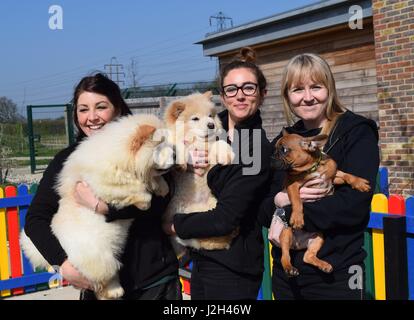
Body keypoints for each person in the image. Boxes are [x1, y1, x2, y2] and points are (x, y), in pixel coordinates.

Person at [24, 73, 181, 300]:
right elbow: (36, 219)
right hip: (99, 286)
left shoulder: (147, 146)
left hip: (154, 281)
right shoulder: (67, 159)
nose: (92, 117)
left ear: (117, 109)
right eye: (83, 109)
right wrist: (64, 264)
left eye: (101, 107)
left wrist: (102, 207)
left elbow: (160, 200)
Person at [258, 53, 379, 300]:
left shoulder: (355, 132)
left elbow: (354, 207)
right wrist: (281, 202)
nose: (308, 97)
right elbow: (261, 207)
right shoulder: (285, 143)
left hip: (337, 274)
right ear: (287, 96)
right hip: (286, 274)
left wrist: (293, 212)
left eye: (316, 87)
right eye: (297, 89)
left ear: (329, 88)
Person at [163, 47, 272, 300]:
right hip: (199, 258)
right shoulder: (211, 124)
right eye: (232, 89)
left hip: (232, 264)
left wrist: (170, 226)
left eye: (249, 88)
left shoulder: (256, 146)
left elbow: (225, 218)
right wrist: (182, 159)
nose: (240, 96)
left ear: (262, 94)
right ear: (222, 97)